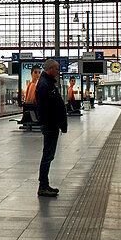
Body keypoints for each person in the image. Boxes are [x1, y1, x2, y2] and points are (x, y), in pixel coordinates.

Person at [34, 59, 67, 197]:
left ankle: (45, 185)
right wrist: (52, 122)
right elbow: (45, 107)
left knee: (49, 156)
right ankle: (43, 186)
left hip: (51, 124)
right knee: (47, 156)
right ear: (50, 69)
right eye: (57, 69)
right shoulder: (44, 85)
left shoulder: (47, 83)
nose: (58, 72)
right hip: (50, 125)